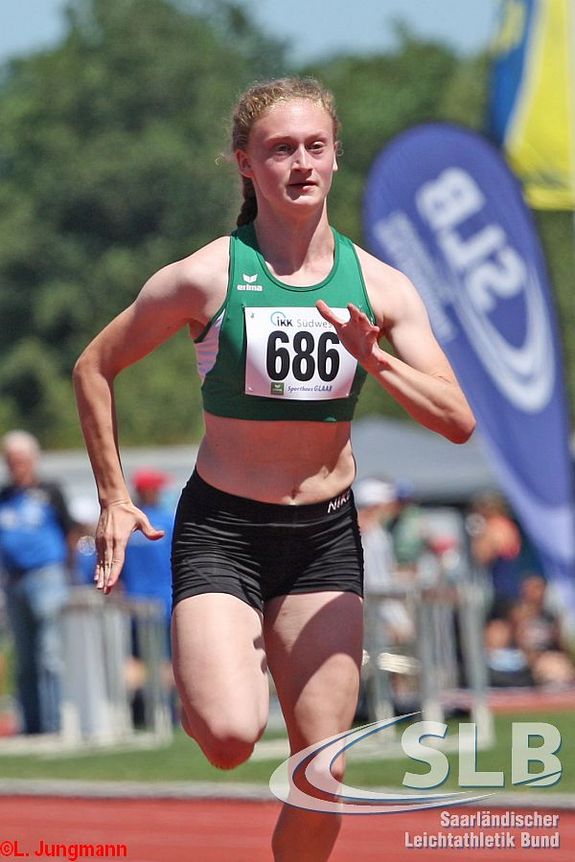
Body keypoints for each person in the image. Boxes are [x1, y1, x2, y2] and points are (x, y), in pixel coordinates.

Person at [73, 77, 475, 861]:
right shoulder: (206, 276)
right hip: (223, 529)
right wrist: (113, 496)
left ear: (335, 157)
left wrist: (373, 360)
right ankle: (210, 668)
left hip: (322, 537)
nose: (300, 163)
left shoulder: (380, 287)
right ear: (245, 165)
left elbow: (456, 420)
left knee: (325, 775)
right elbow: (95, 365)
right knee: (229, 737)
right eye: (280, 149)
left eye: (314, 147)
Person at [0, 431, 75, 734]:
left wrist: (69, 571)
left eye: (20, 460)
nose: (15, 466)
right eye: (10, 461)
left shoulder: (49, 491)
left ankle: (54, 722)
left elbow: (70, 532)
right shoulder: (4, 497)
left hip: (46, 576)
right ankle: (32, 725)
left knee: (49, 653)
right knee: (24, 656)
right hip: (13, 580)